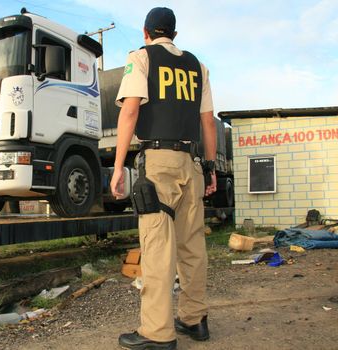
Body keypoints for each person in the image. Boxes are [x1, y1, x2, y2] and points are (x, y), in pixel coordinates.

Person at [110, 7, 217, 350]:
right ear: (174, 34)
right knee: (192, 246)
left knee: (157, 248)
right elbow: (208, 121)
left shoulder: (141, 58)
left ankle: (157, 333)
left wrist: (116, 167)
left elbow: (130, 109)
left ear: (146, 33)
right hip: (191, 163)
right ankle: (194, 320)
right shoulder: (198, 66)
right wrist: (211, 167)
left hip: (159, 162)